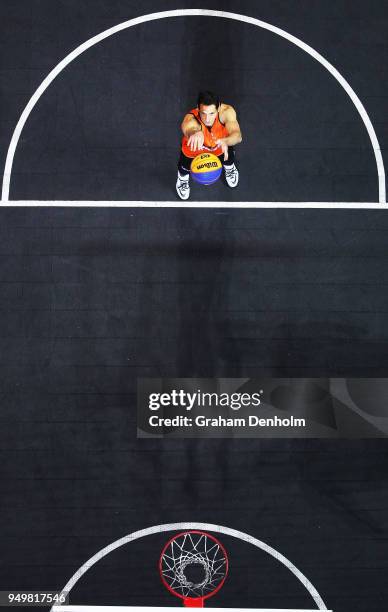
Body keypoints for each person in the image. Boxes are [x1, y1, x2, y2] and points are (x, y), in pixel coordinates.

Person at [176, 91, 242, 200]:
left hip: (220, 144)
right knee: (184, 167)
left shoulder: (226, 112)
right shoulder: (190, 119)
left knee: (228, 157)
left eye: (211, 113)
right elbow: (187, 127)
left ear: (219, 108)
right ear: (198, 108)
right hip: (195, 147)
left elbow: (237, 136)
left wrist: (227, 140)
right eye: (203, 113)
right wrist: (194, 133)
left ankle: (230, 169)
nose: (207, 119)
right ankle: (182, 179)